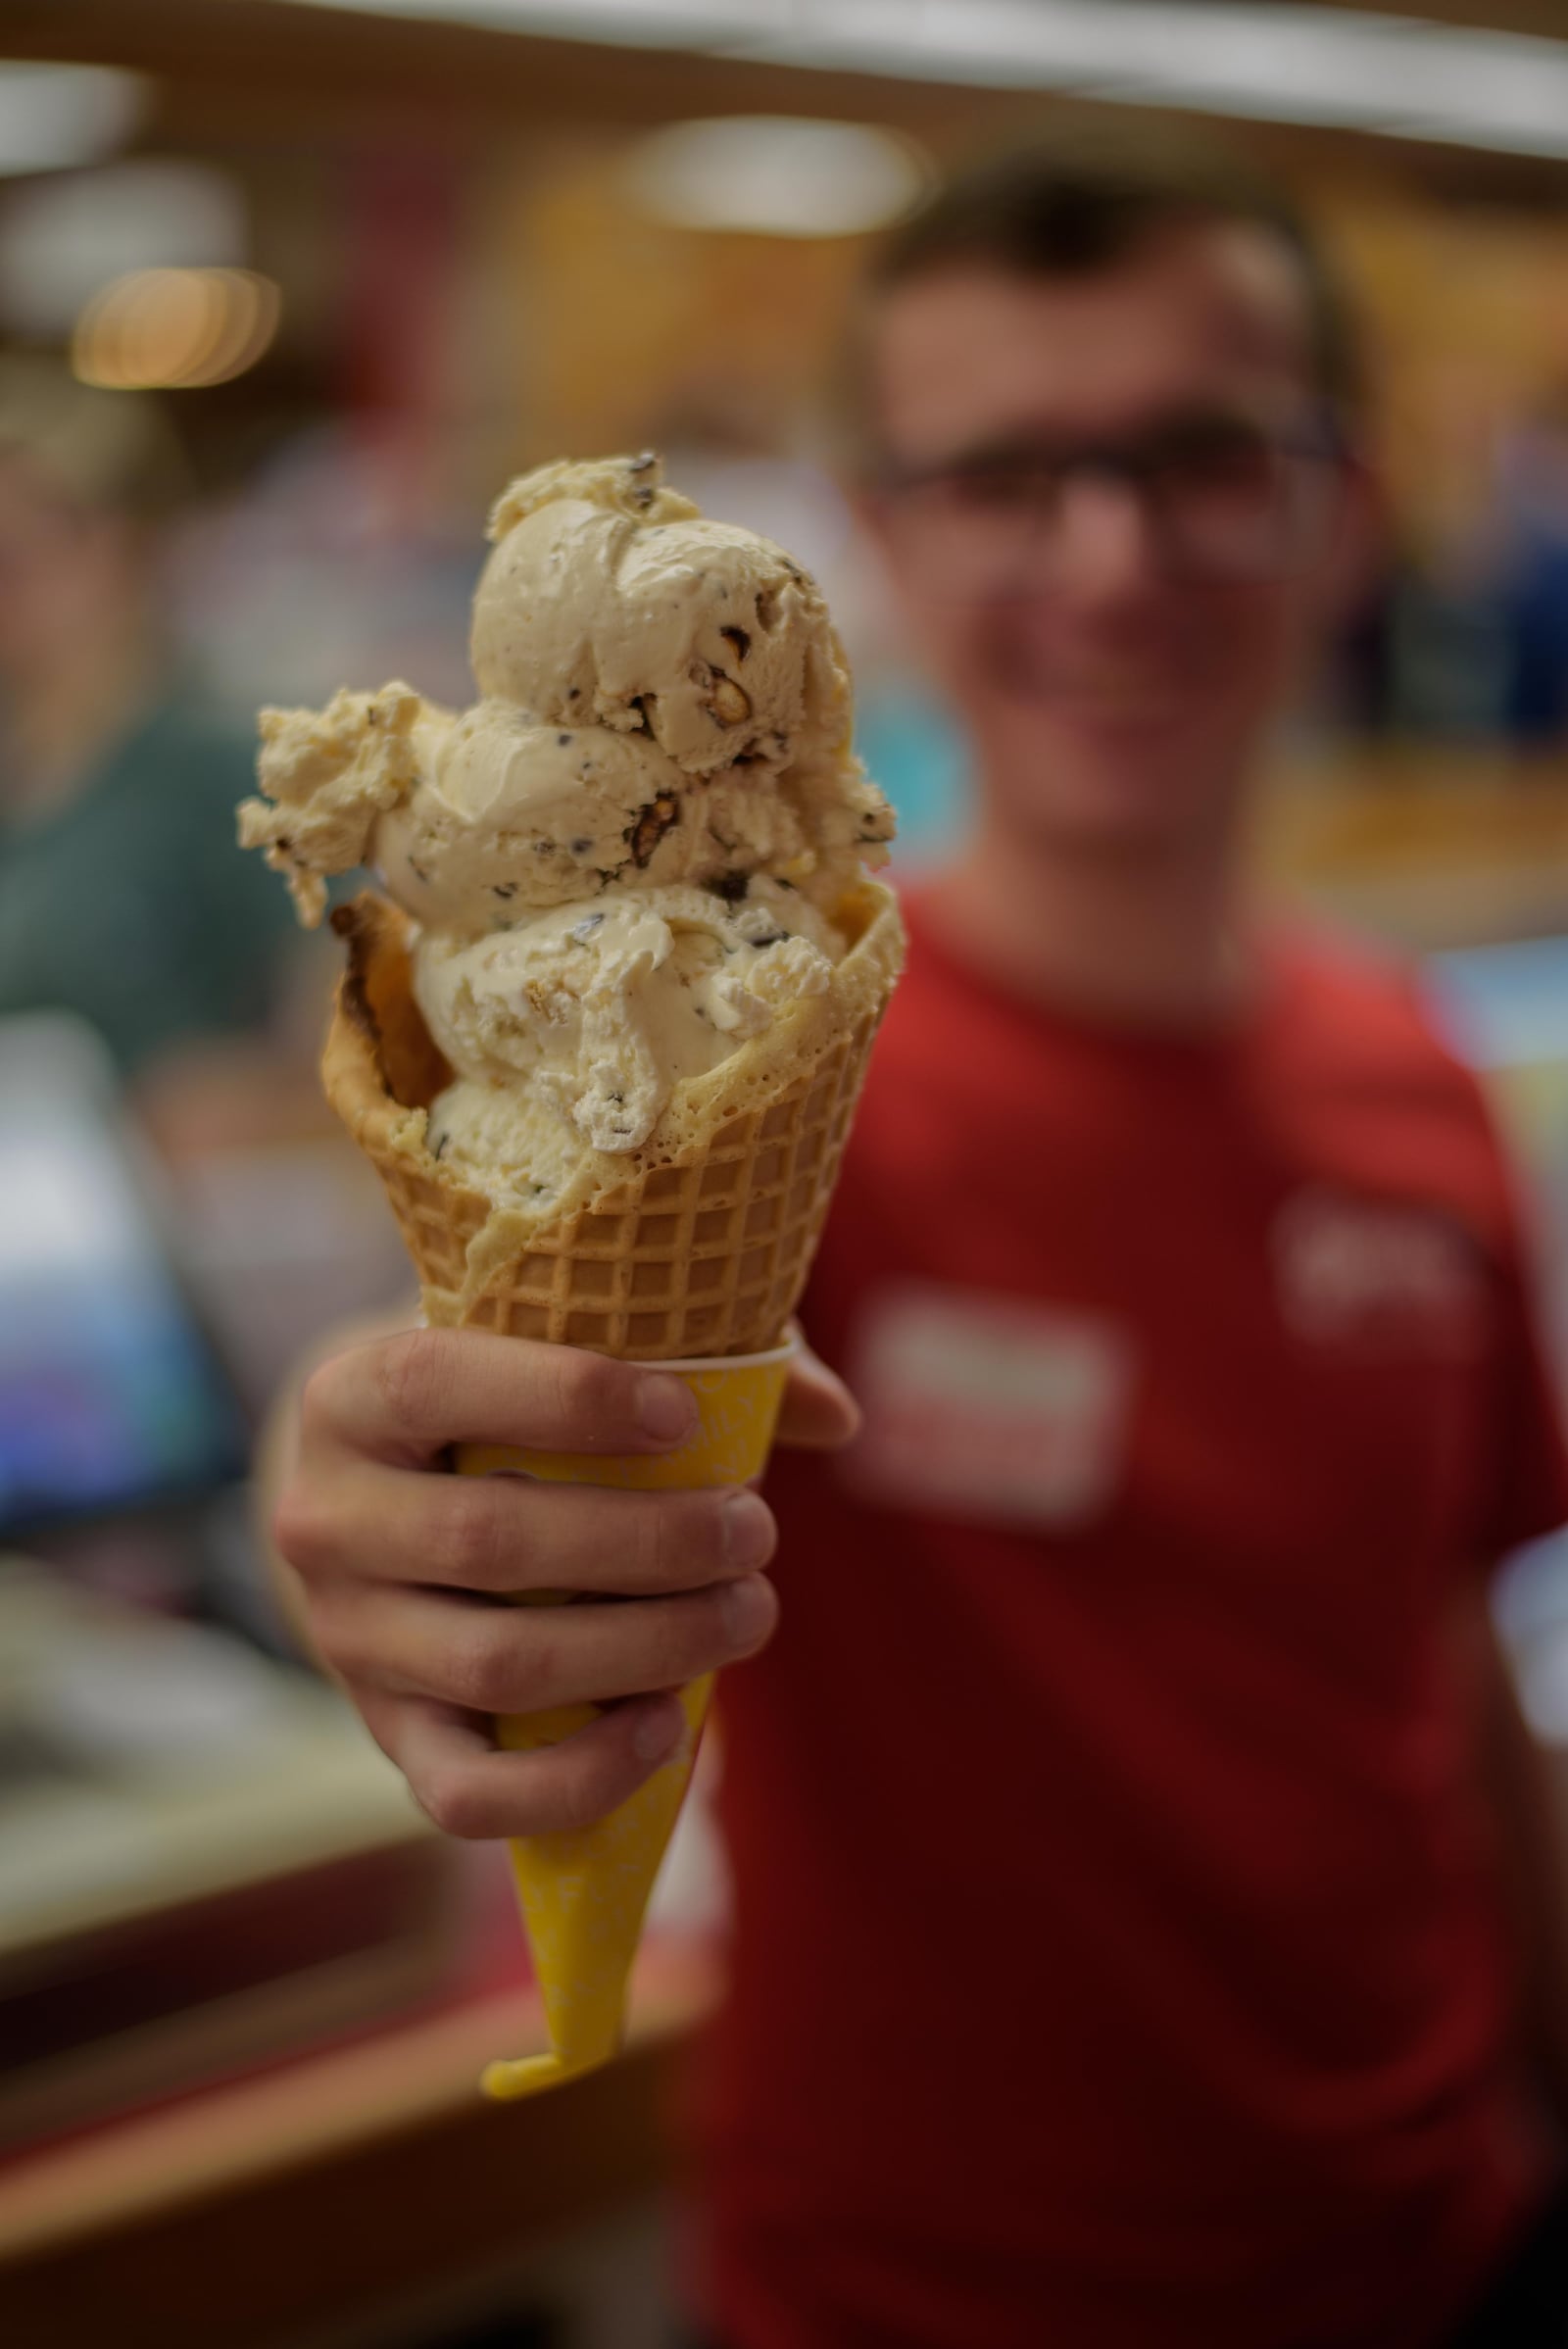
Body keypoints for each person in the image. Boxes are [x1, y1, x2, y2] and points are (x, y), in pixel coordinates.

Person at [270, 135, 1568, 2346]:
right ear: (874, 536)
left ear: (1340, 508)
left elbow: (1441, 1673)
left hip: (1423, 2240)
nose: (1108, 554)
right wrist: (384, 1498)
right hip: (908, 2286)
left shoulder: (1414, 1080)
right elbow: (459, 1447)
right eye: (998, 473)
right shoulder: (738, 1080)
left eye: (1203, 453)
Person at [0, 361, 295, 1076]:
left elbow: (351, 1046)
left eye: (23, 553)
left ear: (126, 545)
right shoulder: (25, 764)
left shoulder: (227, 767)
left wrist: (214, 1106)